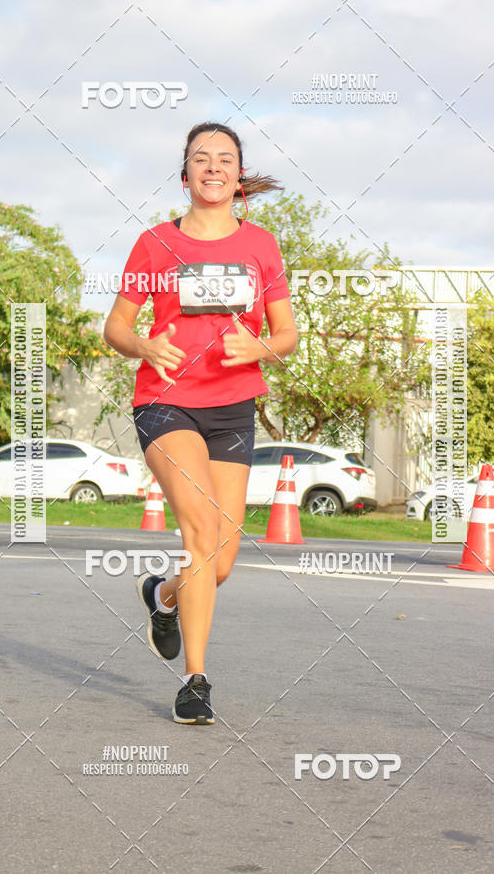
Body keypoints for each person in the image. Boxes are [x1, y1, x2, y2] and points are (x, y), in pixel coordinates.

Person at [103, 122, 297, 725]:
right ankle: (196, 679)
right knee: (200, 538)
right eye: (200, 158)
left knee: (221, 561)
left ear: (239, 176)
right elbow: (115, 328)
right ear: (184, 173)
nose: (213, 167)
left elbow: (286, 334)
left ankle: (161, 595)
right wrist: (143, 346)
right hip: (166, 401)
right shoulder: (155, 244)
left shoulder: (261, 244)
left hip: (233, 408)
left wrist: (258, 350)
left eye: (225, 159)